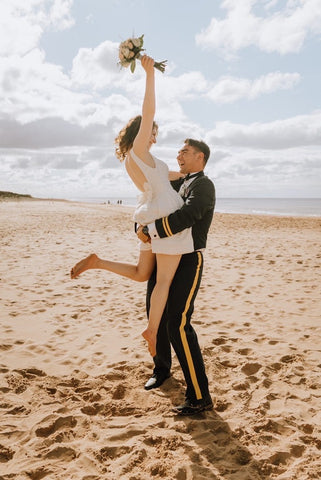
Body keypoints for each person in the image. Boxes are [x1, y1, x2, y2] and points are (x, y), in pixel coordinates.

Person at [71, 55, 194, 358]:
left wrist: (192, 173)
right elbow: (148, 109)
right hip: (163, 214)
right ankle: (152, 332)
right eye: (153, 131)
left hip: (148, 213)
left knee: (142, 274)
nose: (154, 136)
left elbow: (173, 176)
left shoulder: (139, 159)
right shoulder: (140, 149)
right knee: (162, 280)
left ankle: (97, 262)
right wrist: (149, 74)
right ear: (143, 132)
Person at [138, 137, 216, 416]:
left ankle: (199, 396)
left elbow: (188, 215)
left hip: (188, 261)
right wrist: (140, 224)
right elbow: (154, 202)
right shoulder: (176, 183)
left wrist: (152, 230)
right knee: (154, 312)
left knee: (178, 324)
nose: (179, 155)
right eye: (179, 151)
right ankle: (161, 370)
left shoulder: (204, 185)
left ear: (200, 158)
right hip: (163, 256)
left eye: (185, 151)